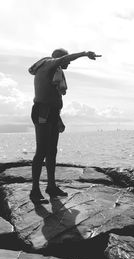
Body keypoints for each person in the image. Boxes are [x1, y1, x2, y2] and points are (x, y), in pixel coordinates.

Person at [28, 49, 101, 204]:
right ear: (59, 58)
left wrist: (58, 117)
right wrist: (85, 53)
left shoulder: (56, 71)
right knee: (41, 151)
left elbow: (53, 96)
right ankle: (35, 191)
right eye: (65, 60)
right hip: (42, 112)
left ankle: (51, 186)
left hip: (53, 113)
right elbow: (66, 58)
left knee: (52, 151)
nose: (67, 63)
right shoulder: (49, 64)